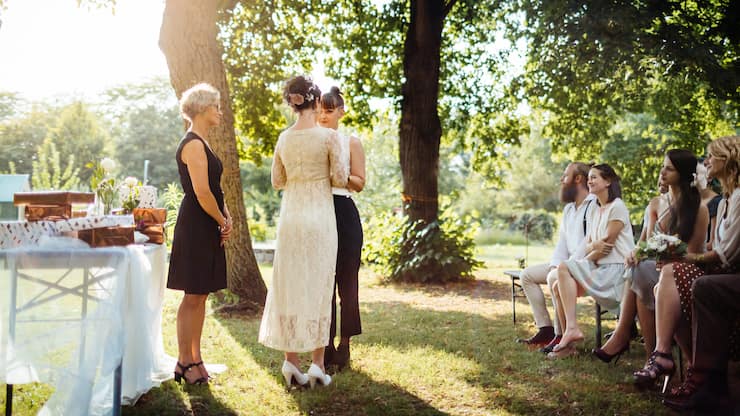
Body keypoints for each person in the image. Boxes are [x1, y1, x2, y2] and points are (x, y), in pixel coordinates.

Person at [258, 76, 348, 388]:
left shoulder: (283, 139)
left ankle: (290, 362)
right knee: (319, 286)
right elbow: (339, 177)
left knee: (289, 284)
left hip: (291, 218)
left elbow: (277, 181)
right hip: (320, 218)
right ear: (315, 100)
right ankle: (317, 365)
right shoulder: (329, 137)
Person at [662, 136, 739, 412]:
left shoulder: (738, 197)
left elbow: (724, 255)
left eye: (710, 157)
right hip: (724, 271)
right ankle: (700, 377)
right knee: (674, 276)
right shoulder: (730, 198)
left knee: (695, 282)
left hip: (730, 273)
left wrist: (686, 256)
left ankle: (703, 378)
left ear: (727, 159)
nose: (706, 162)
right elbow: (718, 249)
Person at [167, 83, 232, 384]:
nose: (220, 112)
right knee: (192, 296)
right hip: (196, 225)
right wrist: (220, 219)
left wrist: (226, 215)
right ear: (204, 109)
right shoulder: (193, 144)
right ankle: (183, 362)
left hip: (207, 223)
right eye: (216, 107)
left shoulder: (203, 143)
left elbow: (215, 189)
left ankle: (196, 357)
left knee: (201, 295)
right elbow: (202, 192)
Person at [632, 149, 709, 390]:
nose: (662, 172)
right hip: (662, 271)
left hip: (687, 272)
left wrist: (669, 258)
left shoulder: (699, 208)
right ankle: (655, 356)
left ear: (684, 174)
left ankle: (656, 356)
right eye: (663, 166)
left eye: (670, 168)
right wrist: (642, 253)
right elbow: (648, 242)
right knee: (639, 270)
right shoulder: (661, 204)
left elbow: (693, 255)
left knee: (652, 277)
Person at [548, 164, 635, 359]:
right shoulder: (596, 208)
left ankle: (571, 330)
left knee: (564, 268)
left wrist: (585, 259)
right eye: (590, 177)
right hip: (599, 269)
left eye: (595, 177)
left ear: (608, 182)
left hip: (616, 273)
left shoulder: (617, 206)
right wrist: (592, 249)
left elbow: (606, 246)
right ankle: (569, 346)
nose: (590, 180)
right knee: (556, 286)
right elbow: (590, 244)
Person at [516, 162, 595, 351]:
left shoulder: (593, 205)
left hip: (585, 266)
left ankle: (562, 336)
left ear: (578, 179)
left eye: (565, 175)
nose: (561, 179)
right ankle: (546, 329)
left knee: (554, 276)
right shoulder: (569, 209)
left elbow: (588, 242)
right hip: (565, 265)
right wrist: (556, 264)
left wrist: (564, 267)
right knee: (526, 275)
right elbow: (562, 243)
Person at [593, 178, 669, 362]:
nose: (661, 177)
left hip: (671, 266)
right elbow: (643, 242)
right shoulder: (654, 203)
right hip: (650, 266)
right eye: (660, 172)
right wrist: (634, 252)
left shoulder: (690, 205)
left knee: (638, 273)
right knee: (636, 269)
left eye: (669, 170)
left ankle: (624, 335)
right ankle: (643, 350)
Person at [318, 87, 366, 370]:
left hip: (344, 213)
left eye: (329, 110)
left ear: (341, 112)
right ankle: (323, 346)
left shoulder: (351, 142)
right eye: (320, 110)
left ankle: (345, 345)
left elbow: (359, 182)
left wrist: (338, 174)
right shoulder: (311, 141)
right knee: (322, 283)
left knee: (347, 283)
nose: (324, 116)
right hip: (317, 213)